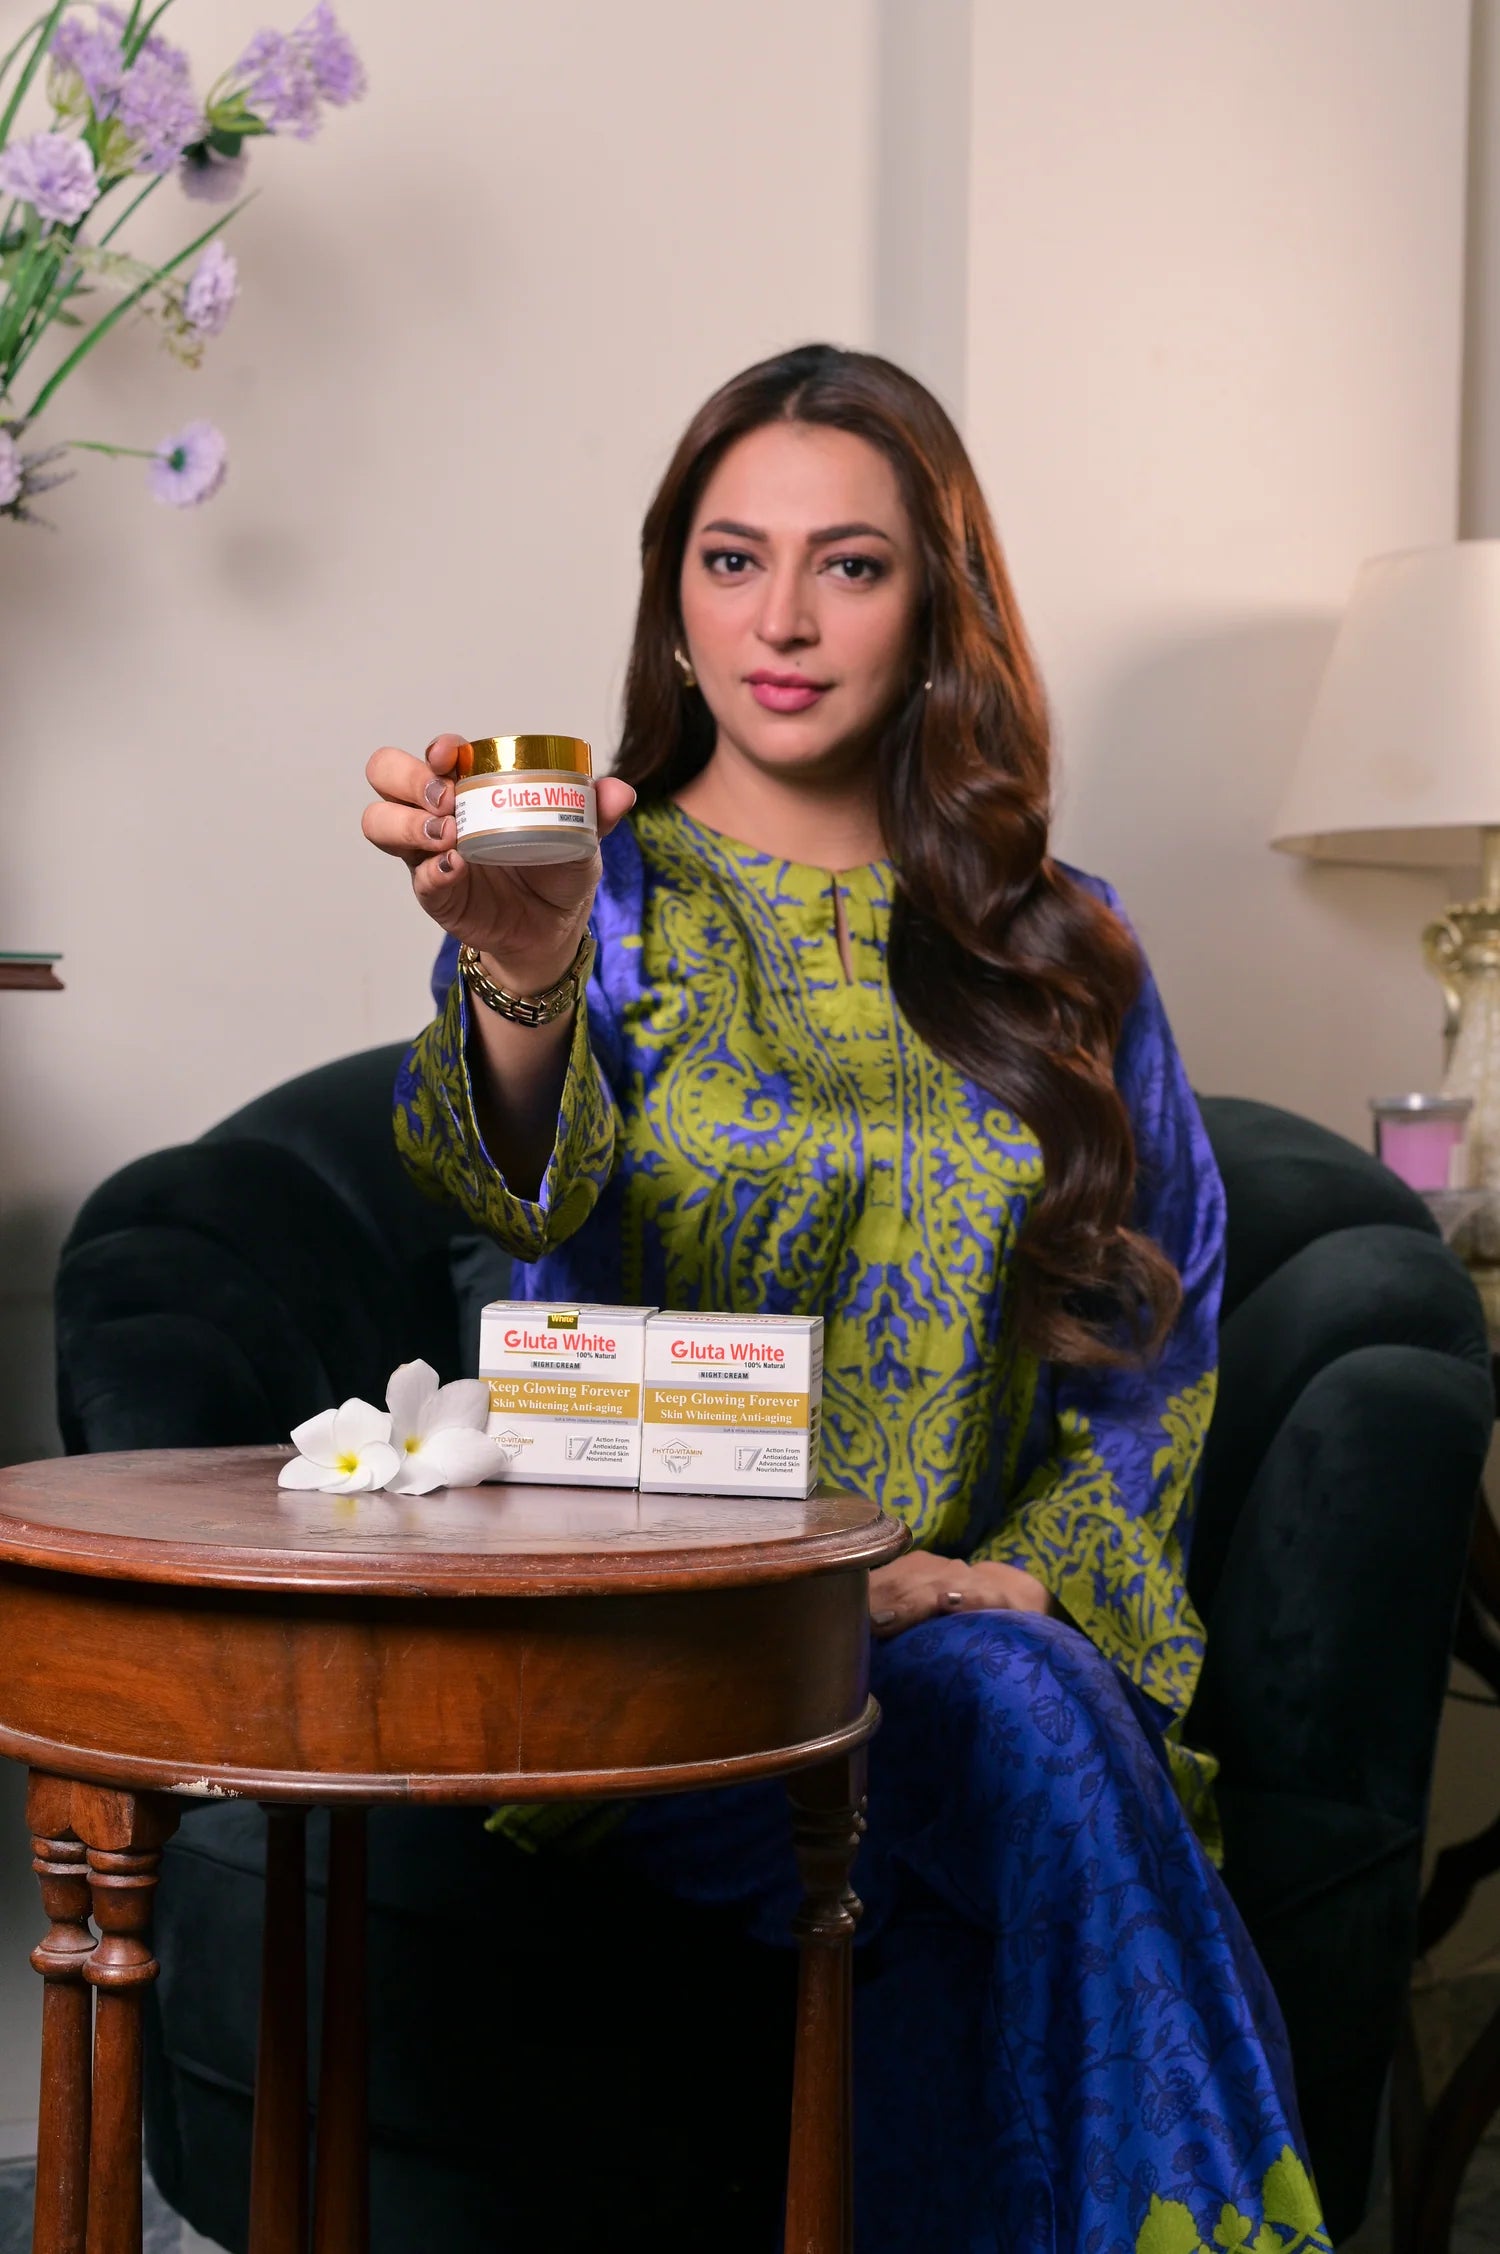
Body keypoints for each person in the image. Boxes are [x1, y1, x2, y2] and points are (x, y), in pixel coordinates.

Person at [363, 344, 1330, 2254]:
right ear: (675, 590)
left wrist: (1020, 1579)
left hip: (982, 1653)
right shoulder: (592, 896)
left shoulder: (1062, 942)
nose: (783, 621)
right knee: (1030, 1735)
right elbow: (506, 1185)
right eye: (733, 560)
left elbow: (1157, 1349)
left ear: (940, 602)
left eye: (851, 566)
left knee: (1004, 1746)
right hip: (675, 1682)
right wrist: (519, 976)